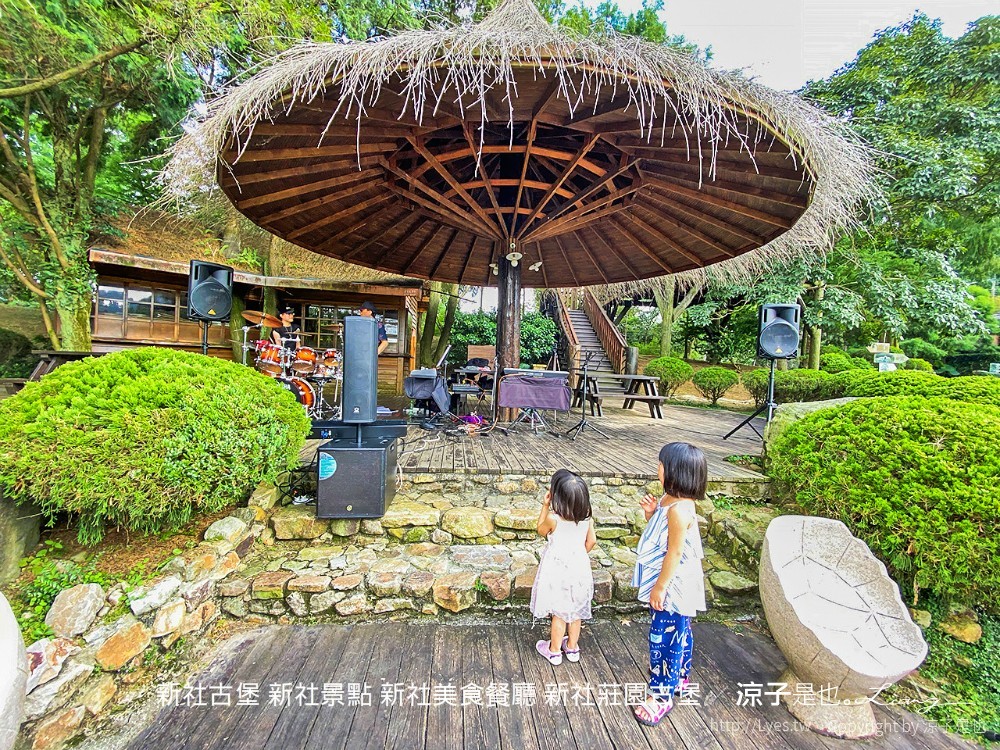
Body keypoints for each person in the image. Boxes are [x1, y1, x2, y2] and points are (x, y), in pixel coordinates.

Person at [631, 442, 708, 726]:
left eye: (661, 465)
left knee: (664, 639)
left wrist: (660, 587)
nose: (658, 469)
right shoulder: (669, 500)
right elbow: (663, 535)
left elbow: (675, 552)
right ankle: (680, 677)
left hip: (673, 585)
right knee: (681, 631)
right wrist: (652, 515)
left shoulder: (680, 509)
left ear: (676, 472)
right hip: (670, 579)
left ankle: (661, 696)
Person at [531, 469, 597, 665]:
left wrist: (544, 506)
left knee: (559, 613)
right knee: (575, 612)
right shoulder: (586, 519)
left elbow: (541, 530)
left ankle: (553, 651)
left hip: (557, 569)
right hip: (579, 568)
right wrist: (578, 556)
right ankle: (573, 648)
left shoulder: (554, 519)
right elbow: (591, 542)